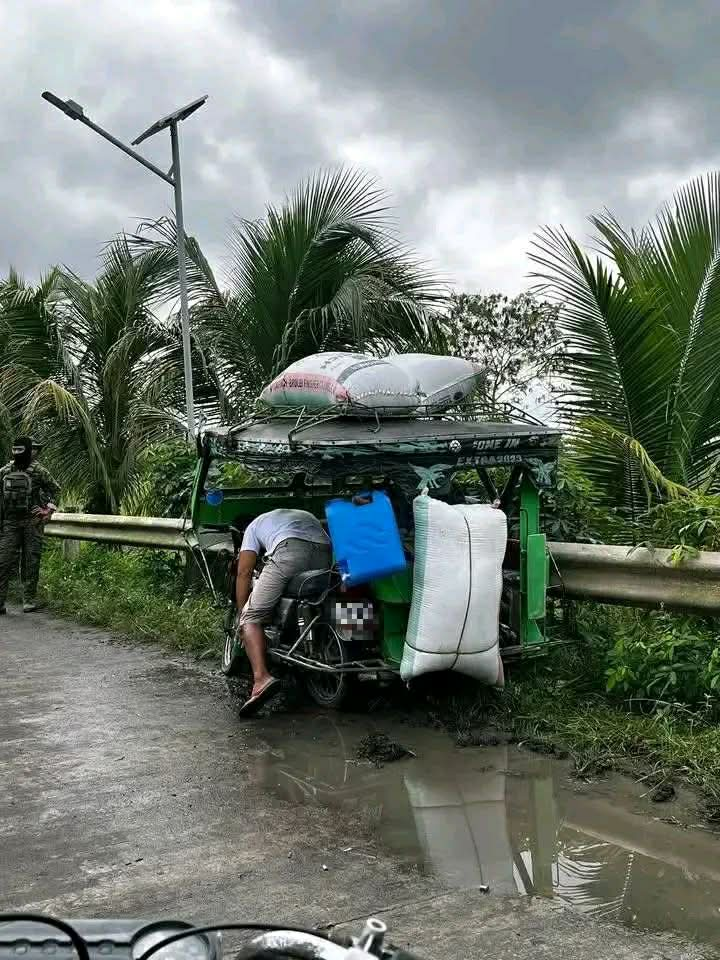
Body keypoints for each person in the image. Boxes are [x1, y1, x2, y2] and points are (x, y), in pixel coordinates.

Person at [235, 508, 332, 716]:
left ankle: (261, 678)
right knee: (309, 597)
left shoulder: (252, 527)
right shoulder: (299, 514)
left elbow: (244, 572)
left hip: (290, 550)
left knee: (251, 617)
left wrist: (241, 611)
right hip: (325, 551)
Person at [0, 437, 60, 615]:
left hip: (32, 521)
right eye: (15, 449)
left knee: (31, 561)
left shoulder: (39, 471)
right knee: (3, 561)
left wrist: (47, 510)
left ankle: (29, 600)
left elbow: (55, 489)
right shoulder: (6, 470)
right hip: (10, 522)